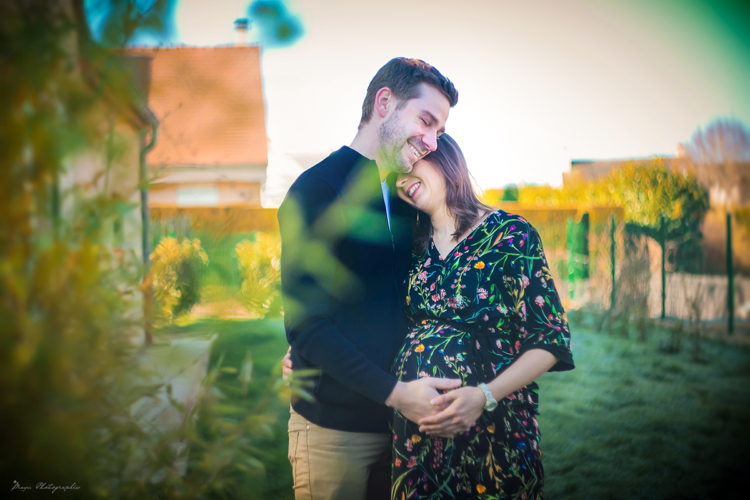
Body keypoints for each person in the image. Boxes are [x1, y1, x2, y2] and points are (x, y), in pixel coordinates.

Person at [278, 57, 462, 500]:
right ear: (385, 103)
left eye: (439, 129)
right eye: (426, 120)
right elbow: (307, 326)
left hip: (400, 432)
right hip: (332, 431)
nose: (433, 141)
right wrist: (397, 393)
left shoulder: (402, 198)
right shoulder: (315, 191)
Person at [389, 133, 574, 499]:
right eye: (394, 177)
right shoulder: (407, 248)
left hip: (494, 431)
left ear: (444, 158)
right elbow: (378, 322)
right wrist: (309, 351)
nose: (401, 181)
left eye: (409, 166)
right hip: (417, 441)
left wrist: (484, 396)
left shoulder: (511, 235)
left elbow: (551, 338)